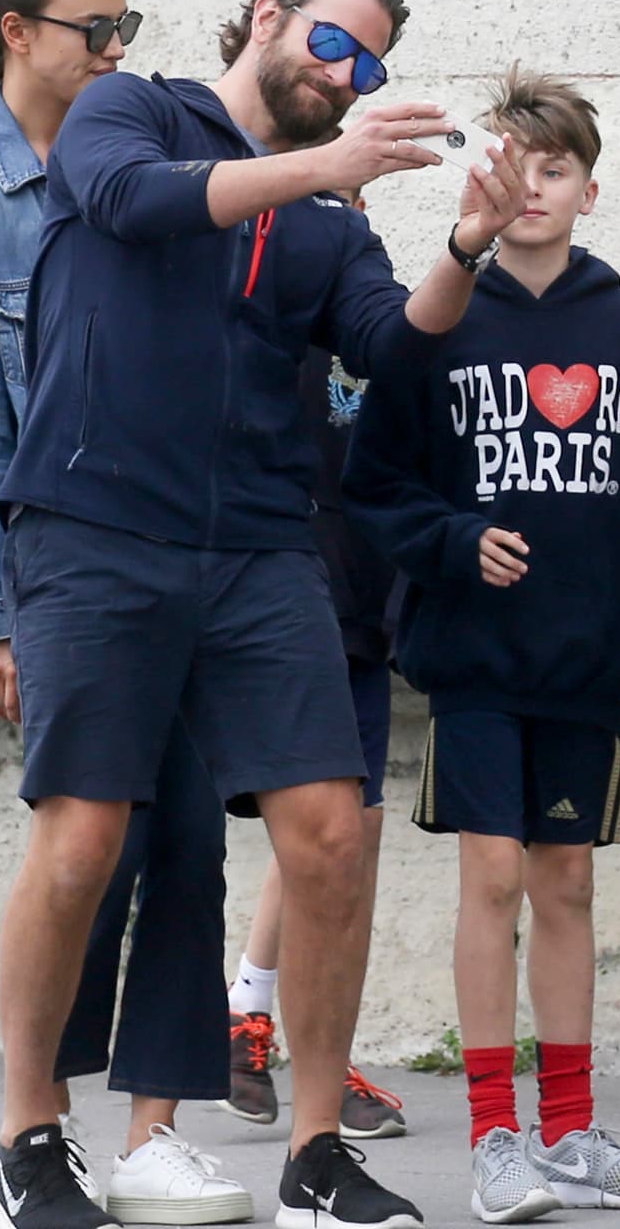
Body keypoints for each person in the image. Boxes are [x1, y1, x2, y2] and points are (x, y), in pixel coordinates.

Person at [0, 0, 529, 1229]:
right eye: (332, 46)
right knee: (82, 841)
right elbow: (134, 202)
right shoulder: (132, 109)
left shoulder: (329, 223)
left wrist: (464, 240)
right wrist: (325, 169)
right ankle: (25, 1136)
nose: (346, 78)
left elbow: (392, 345)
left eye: (371, 66)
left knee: (332, 835)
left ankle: (317, 1150)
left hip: (256, 550)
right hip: (95, 526)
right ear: (268, 19)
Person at [342, 65, 620, 1222]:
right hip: (472, 662)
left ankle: (567, 1130)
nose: (532, 189)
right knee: (494, 876)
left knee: (564, 882)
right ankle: (493, 1136)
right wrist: (454, 545)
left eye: (553, 169)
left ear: (588, 191)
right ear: (484, 180)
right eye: (512, 167)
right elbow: (379, 483)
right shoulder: (441, 321)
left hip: (588, 662)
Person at [0, 0, 251, 1228]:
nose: (117, 51)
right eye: (93, 30)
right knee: (80, 849)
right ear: (18, 36)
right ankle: (26, 1133)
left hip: (190, 550)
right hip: (64, 568)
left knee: (188, 843)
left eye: (128, 29)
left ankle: (156, 1133)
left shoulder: (151, 151)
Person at [221, 184, 406, 1142]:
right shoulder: (260, 305)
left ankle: (262, 1016)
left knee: (346, 831)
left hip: (364, 599)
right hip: (287, 592)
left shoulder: (376, 312)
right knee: (326, 827)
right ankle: (250, 1021)